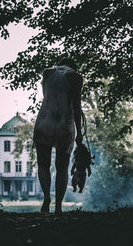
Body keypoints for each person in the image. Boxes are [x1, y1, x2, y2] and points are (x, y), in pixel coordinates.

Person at [33, 57, 83, 214]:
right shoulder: (75, 76)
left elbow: (47, 97)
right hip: (64, 124)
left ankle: (47, 198)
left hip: (44, 122)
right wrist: (79, 133)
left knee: (43, 164)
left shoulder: (47, 73)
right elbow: (76, 106)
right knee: (61, 167)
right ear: (74, 66)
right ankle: (59, 206)